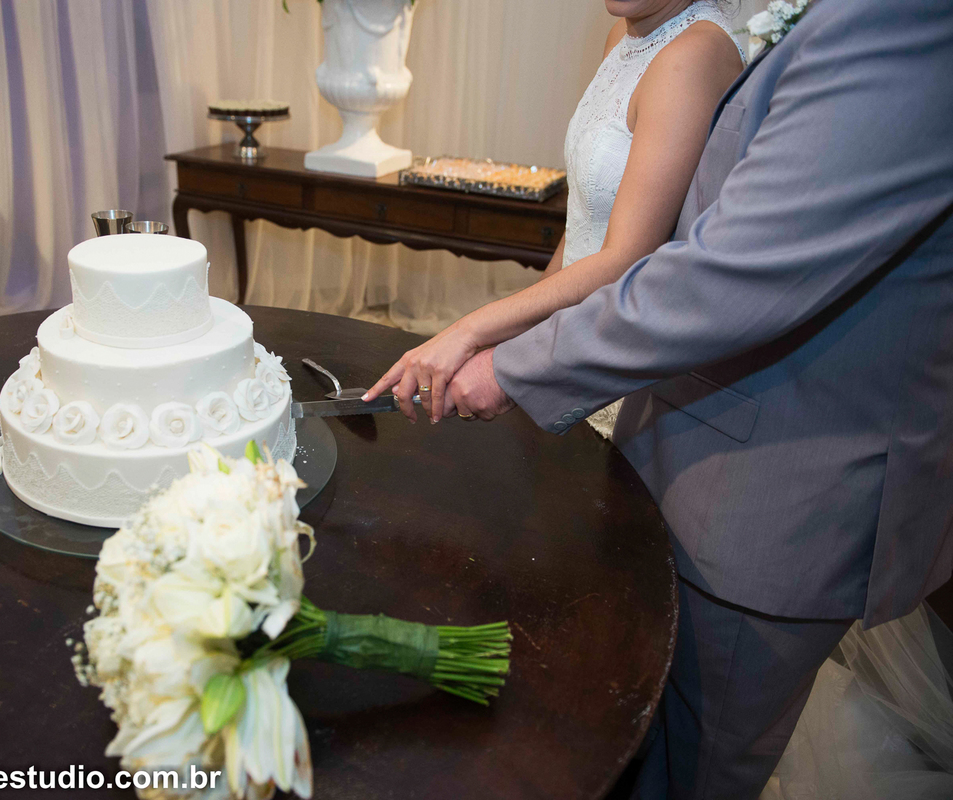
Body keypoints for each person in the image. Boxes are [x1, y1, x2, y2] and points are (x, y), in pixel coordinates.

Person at [401, 0, 953, 797]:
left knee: (686, 768)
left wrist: (511, 365)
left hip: (772, 489)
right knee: (614, 712)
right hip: (675, 421)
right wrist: (503, 330)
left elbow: (726, 273)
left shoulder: (903, 18)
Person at [365, 1, 744, 438]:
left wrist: (468, 331)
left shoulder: (694, 53)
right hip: (572, 332)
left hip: (620, 354)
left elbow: (624, 260)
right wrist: (512, 340)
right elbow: (585, 224)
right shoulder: (624, 36)